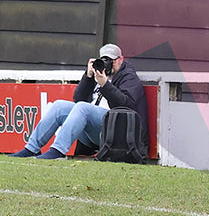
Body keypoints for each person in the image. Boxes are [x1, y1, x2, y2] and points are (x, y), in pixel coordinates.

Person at [8, 43, 146, 159]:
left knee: (83, 108)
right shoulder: (98, 73)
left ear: (121, 59)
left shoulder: (129, 77)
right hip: (95, 130)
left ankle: (58, 151)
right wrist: (88, 76)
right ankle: (31, 149)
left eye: (112, 60)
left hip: (116, 132)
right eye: (104, 59)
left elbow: (126, 106)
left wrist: (106, 85)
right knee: (59, 106)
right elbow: (78, 99)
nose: (108, 64)